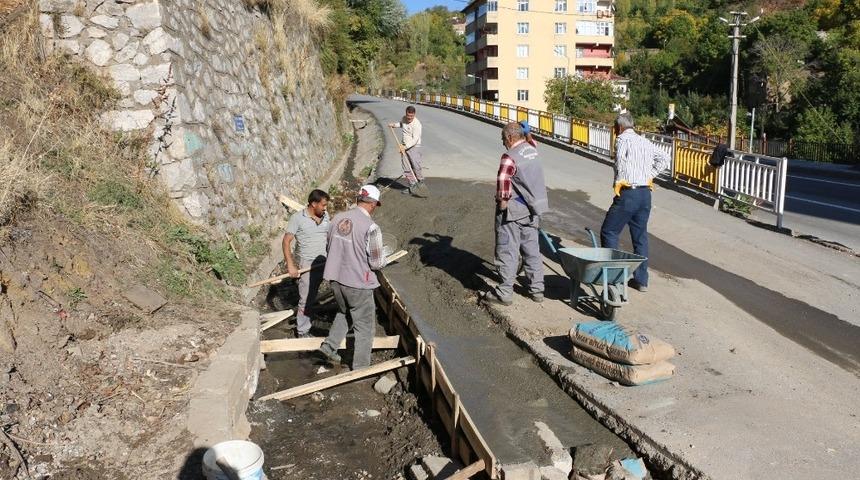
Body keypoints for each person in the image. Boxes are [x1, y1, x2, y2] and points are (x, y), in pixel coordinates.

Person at [317, 185, 387, 369]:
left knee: (345, 311)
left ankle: (329, 346)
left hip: (335, 279)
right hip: (357, 283)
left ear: (358, 200)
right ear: (373, 204)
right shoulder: (371, 227)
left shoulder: (337, 218)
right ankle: (361, 368)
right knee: (365, 328)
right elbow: (377, 263)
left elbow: (329, 247)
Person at [599, 112, 670, 292]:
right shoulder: (645, 141)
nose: (615, 131)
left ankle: (613, 277)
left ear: (620, 127)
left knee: (609, 231)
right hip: (645, 193)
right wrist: (649, 176)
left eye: (615, 128)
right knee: (640, 236)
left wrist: (619, 181)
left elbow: (620, 161)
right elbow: (665, 159)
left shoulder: (623, 140)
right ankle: (641, 280)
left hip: (629, 192)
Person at [482, 122, 548, 306]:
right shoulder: (532, 149)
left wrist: (502, 206)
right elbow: (530, 138)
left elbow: (503, 182)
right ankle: (537, 290)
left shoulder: (509, 157)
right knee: (532, 250)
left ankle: (504, 293)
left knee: (507, 250)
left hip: (515, 211)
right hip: (534, 209)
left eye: (504, 139)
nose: (503, 143)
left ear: (510, 138)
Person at [283, 189, 331, 338]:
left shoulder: (326, 216)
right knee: (307, 298)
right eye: (323, 205)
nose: (325, 208)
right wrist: (291, 265)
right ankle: (303, 331)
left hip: (326, 261)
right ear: (313, 204)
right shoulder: (297, 218)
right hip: (308, 264)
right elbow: (286, 241)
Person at [388, 106, 425, 195]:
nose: (409, 118)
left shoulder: (417, 124)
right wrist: (394, 125)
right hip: (404, 146)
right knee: (406, 167)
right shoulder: (404, 119)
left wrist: (405, 147)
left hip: (414, 147)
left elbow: (415, 139)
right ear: (406, 113)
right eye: (408, 116)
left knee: (416, 165)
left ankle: (420, 181)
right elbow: (402, 124)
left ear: (414, 115)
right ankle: (412, 185)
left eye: (411, 116)